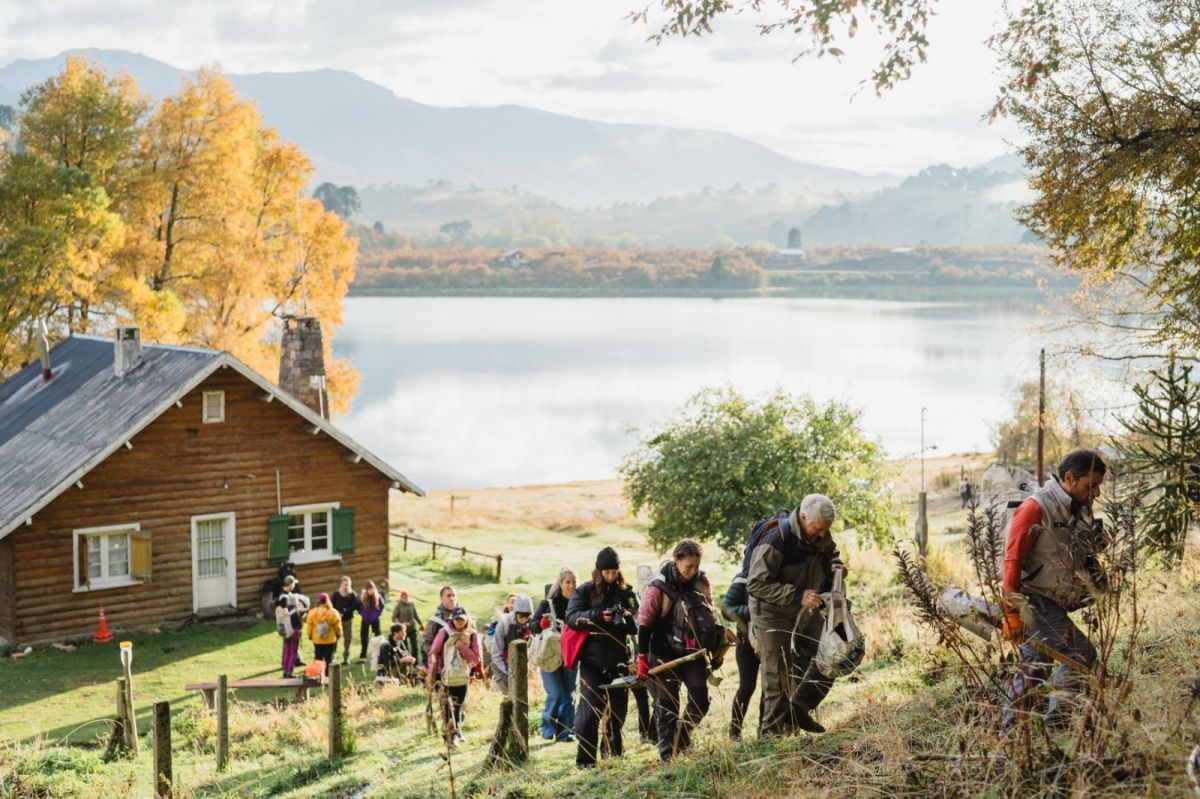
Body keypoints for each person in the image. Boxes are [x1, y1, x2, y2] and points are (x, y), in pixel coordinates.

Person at [1001, 448, 1108, 730]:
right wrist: (1011, 610)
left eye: (1098, 486)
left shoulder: (1080, 504)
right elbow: (1012, 559)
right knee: (1080, 653)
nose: (1096, 492)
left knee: (1035, 667)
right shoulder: (1036, 507)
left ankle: (1007, 735)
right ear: (1070, 478)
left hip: (1055, 599)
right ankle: (1057, 722)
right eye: (1091, 485)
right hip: (1033, 599)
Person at [746, 494, 846, 736]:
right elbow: (755, 584)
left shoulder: (821, 533)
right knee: (778, 676)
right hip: (771, 612)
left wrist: (837, 567)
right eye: (818, 529)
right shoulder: (777, 539)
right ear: (803, 518)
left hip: (808, 606)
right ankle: (771, 737)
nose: (822, 534)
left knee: (835, 653)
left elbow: (831, 555)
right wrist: (797, 594)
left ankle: (799, 708)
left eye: (827, 529)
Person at [636, 539, 717, 761]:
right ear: (676, 561)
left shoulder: (702, 582)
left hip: (692, 652)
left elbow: (710, 614)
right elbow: (644, 625)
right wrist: (642, 657)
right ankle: (668, 756)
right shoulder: (657, 588)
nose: (693, 571)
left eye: (696, 566)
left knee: (700, 702)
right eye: (688, 566)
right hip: (662, 652)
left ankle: (680, 739)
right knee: (667, 706)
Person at [566, 546, 638, 769]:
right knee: (590, 712)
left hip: (619, 661)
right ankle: (585, 761)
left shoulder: (626, 592)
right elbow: (571, 617)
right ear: (598, 571)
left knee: (617, 712)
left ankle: (613, 755)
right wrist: (596, 615)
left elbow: (636, 626)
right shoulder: (585, 591)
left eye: (613, 571)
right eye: (606, 572)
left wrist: (626, 616)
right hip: (592, 662)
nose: (610, 576)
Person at [533, 567, 579, 742]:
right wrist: (542, 624)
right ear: (560, 583)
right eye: (568, 582)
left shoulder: (580, 603)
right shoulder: (549, 603)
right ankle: (547, 729)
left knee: (569, 694)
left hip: (571, 654)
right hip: (550, 655)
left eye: (574, 581)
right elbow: (532, 624)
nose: (571, 585)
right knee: (556, 693)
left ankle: (565, 733)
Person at [428, 606, 481, 747]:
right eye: (456, 619)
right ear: (452, 619)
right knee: (446, 708)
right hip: (444, 677)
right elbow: (434, 652)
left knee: (458, 707)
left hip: (462, 677)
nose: (459, 622)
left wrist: (462, 647)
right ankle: (449, 737)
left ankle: (456, 732)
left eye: (462, 619)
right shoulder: (444, 633)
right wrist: (434, 674)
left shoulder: (472, 634)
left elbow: (476, 658)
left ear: (466, 619)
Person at [720, 569, 758, 741]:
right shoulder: (742, 578)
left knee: (772, 687)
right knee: (746, 688)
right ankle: (735, 732)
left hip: (770, 642)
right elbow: (727, 609)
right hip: (746, 645)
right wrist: (755, 610)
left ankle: (766, 730)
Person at [489, 595, 534, 694]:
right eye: (521, 616)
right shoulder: (504, 624)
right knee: (505, 697)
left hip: (523, 668)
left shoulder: (532, 625)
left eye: (527, 616)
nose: (524, 619)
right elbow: (496, 653)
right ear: (515, 612)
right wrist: (506, 674)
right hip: (502, 666)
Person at [422, 585, 459, 667]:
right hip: (442, 663)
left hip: (462, 663)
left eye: (454, 595)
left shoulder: (465, 618)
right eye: (448, 596)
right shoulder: (435, 620)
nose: (452, 598)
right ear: (441, 598)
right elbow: (426, 644)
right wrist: (436, 660)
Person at [306, 592, 343, 669]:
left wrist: (309, 635)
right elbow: (338, 626)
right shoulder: (333, 612)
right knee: (329, 658)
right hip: (330, 639)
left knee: (318, 658)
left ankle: (318, 674)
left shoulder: (312, 612)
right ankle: (328, 675)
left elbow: (309, 626)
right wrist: (339, 634)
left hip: (317, 639)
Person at [331, 576, 363, 665]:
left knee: (347, 639)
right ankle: (333, 657)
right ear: (341, 584)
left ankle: (346, 658)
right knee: (335, 639)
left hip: (348, 620)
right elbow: (331, 606)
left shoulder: (352, 594)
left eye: (348, 585)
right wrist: (338, 613)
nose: (346, 586)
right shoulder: (336, 594)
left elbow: (355, 606)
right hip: (337, 620)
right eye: (345, 584)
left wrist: (346, 610)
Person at [280, 575, 310, 666]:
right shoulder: (284, 596)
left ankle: (296, 659)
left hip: (291, 623)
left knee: (292, 643)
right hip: (288, 624)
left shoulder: (288, 594)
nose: (294, 586)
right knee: (288, 645)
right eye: (293, 584)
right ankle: (286, 663)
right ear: (290, 584)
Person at [359, 580, 387, 660]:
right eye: (369, 589)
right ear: (367, 590)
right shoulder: (363, 597)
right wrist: (363, 614)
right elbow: (359, 607)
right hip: (365, 619)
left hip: (375, 619)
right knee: (364, 637)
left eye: (372, 589)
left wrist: (377, 614)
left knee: (378, 636)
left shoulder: (377, 596)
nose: (371, 591)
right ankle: (363, 656)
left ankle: (380, 654)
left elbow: (382, 606)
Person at [392, 589, 423, 660]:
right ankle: (407, 661)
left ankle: (415, 662)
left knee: (415, 646)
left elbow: (416, 615)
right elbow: (393, 618)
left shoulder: (411, 604)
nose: (405, 598)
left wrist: (421, 624)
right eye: (403, 597)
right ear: (401, 597)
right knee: (404, 647)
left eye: (406, 597)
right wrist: (401, 624)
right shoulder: (398, 606)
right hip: (403, 631)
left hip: (412, 628)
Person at [275, 595, 301, 678]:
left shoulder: (278, 610)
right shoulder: (291, 612)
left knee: (287, 652)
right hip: (293, 633)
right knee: (293, 653)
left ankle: (285, 671)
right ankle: (289, 671)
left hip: (284, 633)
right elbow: (298, 624)